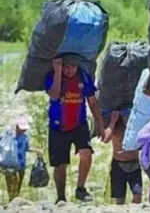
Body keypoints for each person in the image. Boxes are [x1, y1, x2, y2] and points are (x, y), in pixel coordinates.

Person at [45, 55, 105, 204]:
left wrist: (100, 123)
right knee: (60, 164)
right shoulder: (51, 76)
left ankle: (80, 189)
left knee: (86, 154)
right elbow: (54, 95)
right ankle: (61, 197)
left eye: (73, 67)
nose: (70, 70)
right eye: (66, 66)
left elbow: (92, 100)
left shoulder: (83, 77)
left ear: (78, 66)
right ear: (61, 66)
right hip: (57, 127)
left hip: (79, 124)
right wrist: (58, 72)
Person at [0, 116, 43, 201]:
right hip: (10, 164)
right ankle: (12, 199)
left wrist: (36, 150)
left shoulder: (25, 137)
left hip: (21, 163)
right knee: (12, 182)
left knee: (20, 181)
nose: (23, 130)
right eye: (21, 128)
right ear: (17, 126)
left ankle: (16, 197)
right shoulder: (8, 135)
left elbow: (26, 148)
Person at [107, 114, 142, 205]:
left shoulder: (136, 127)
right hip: (118, 167)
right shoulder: (116, 127)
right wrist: (113, 122)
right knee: (119, 200)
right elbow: (106, 139)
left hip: (134, 165)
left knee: (138, 195)